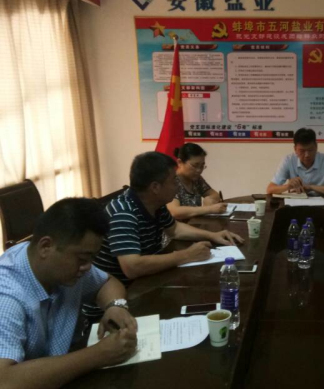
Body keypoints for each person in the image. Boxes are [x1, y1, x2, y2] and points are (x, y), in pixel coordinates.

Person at [0, 198, 138, 389]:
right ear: (45, 247)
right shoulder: (7, 298)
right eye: (82, 259)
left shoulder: (65, 266)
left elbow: (107, 283)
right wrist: (98, 354)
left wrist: (115, 306)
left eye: (91, 258)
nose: (87, 267)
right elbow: (5, 380)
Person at [93, 152, 243, 284]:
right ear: (155, 187)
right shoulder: (123, 213)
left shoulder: (155, 203)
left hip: (147, 280)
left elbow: (175, 229)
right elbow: (132, 267)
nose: (177, 186)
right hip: (122, 294)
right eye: (173, 181)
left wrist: (212, 235)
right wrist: (186, 255)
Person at [266, 128, 324, 196]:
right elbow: (270, 189)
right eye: (302, 151)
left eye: (310, 150)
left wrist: (311, 187)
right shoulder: (288, 160)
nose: (307, 155)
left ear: (316, 147)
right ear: (295, 149)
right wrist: (288, 186)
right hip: (296, 203)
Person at [167, 143, 228, 220]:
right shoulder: (172, 182)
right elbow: (174, 212)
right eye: (195, 166)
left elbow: (214, 194)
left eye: (202, 166)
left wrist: (209, 199)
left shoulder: (196, 179)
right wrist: (208, 209)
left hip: (195, 223)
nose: (199, 170)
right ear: (180, 162)